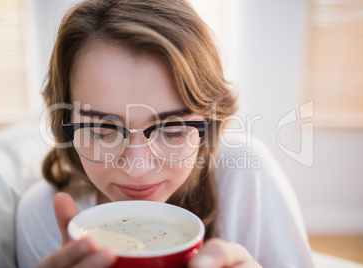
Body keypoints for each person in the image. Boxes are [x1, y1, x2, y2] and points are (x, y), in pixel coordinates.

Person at [16, 0, 315, 267]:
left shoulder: (245, 178)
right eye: (102, 130)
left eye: (172, 130)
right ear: (65, 121)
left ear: (208, 122)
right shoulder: (43, 217)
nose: (138, 168)